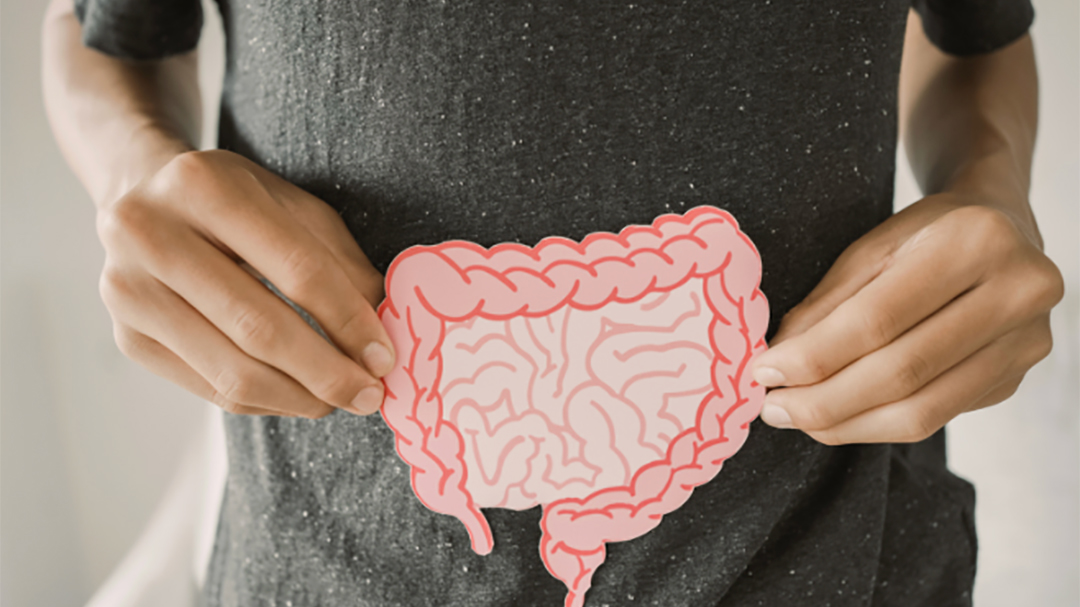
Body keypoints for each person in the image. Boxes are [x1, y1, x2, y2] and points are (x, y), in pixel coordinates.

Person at [42, 0, 1063, 605]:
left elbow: (975, 38)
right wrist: (134, 171)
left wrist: (991, 185)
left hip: (831, 558)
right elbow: (108, 36)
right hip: (324, 561)